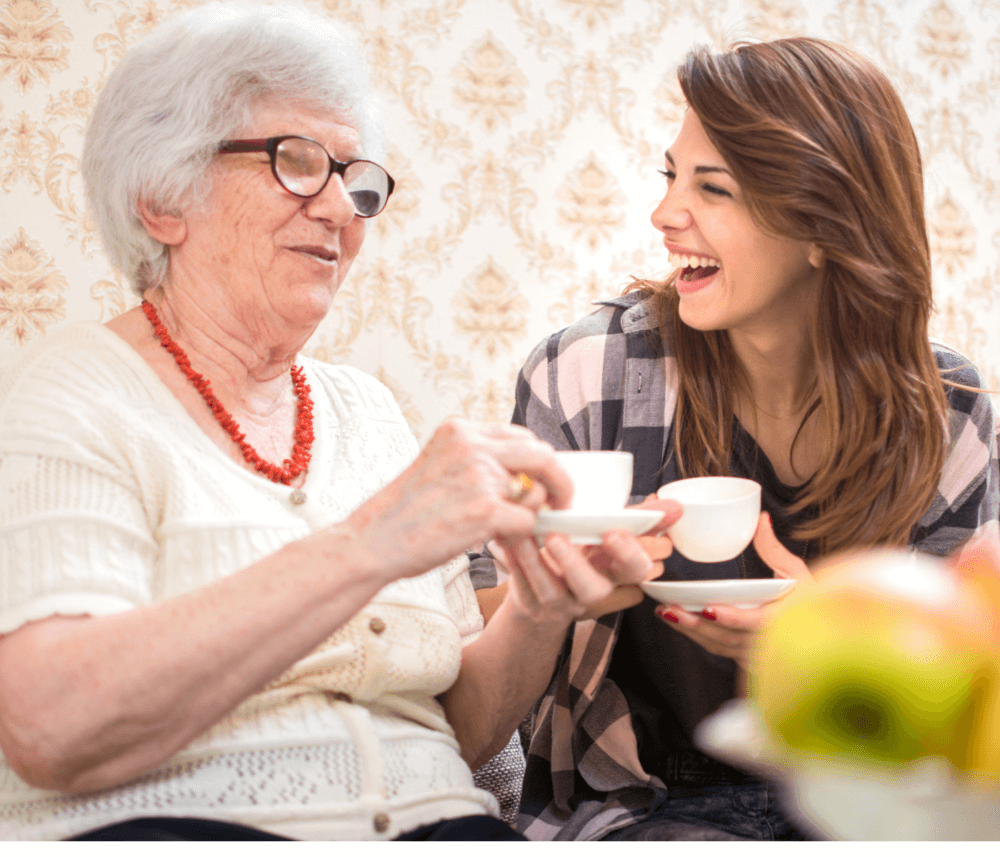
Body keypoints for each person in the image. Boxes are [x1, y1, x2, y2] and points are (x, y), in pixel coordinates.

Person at [0, 3, 678, 841]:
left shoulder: (364, 412)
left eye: (356, 179)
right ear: (159, 202)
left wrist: (540, 603)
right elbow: (49, 727)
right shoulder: (75, 391)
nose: (342, 210)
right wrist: (368, 545)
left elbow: (458, 736)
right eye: (295, 163)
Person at [472, 37, 999, 840]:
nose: (663, 214)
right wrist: (550, 599)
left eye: (712, 188)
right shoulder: (589, 372)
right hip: (635, 811)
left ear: (825, 224)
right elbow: (481, 690)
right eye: (670, 176)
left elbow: (961, 702)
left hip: (855, 810)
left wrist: (815, 648)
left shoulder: (948, 411)